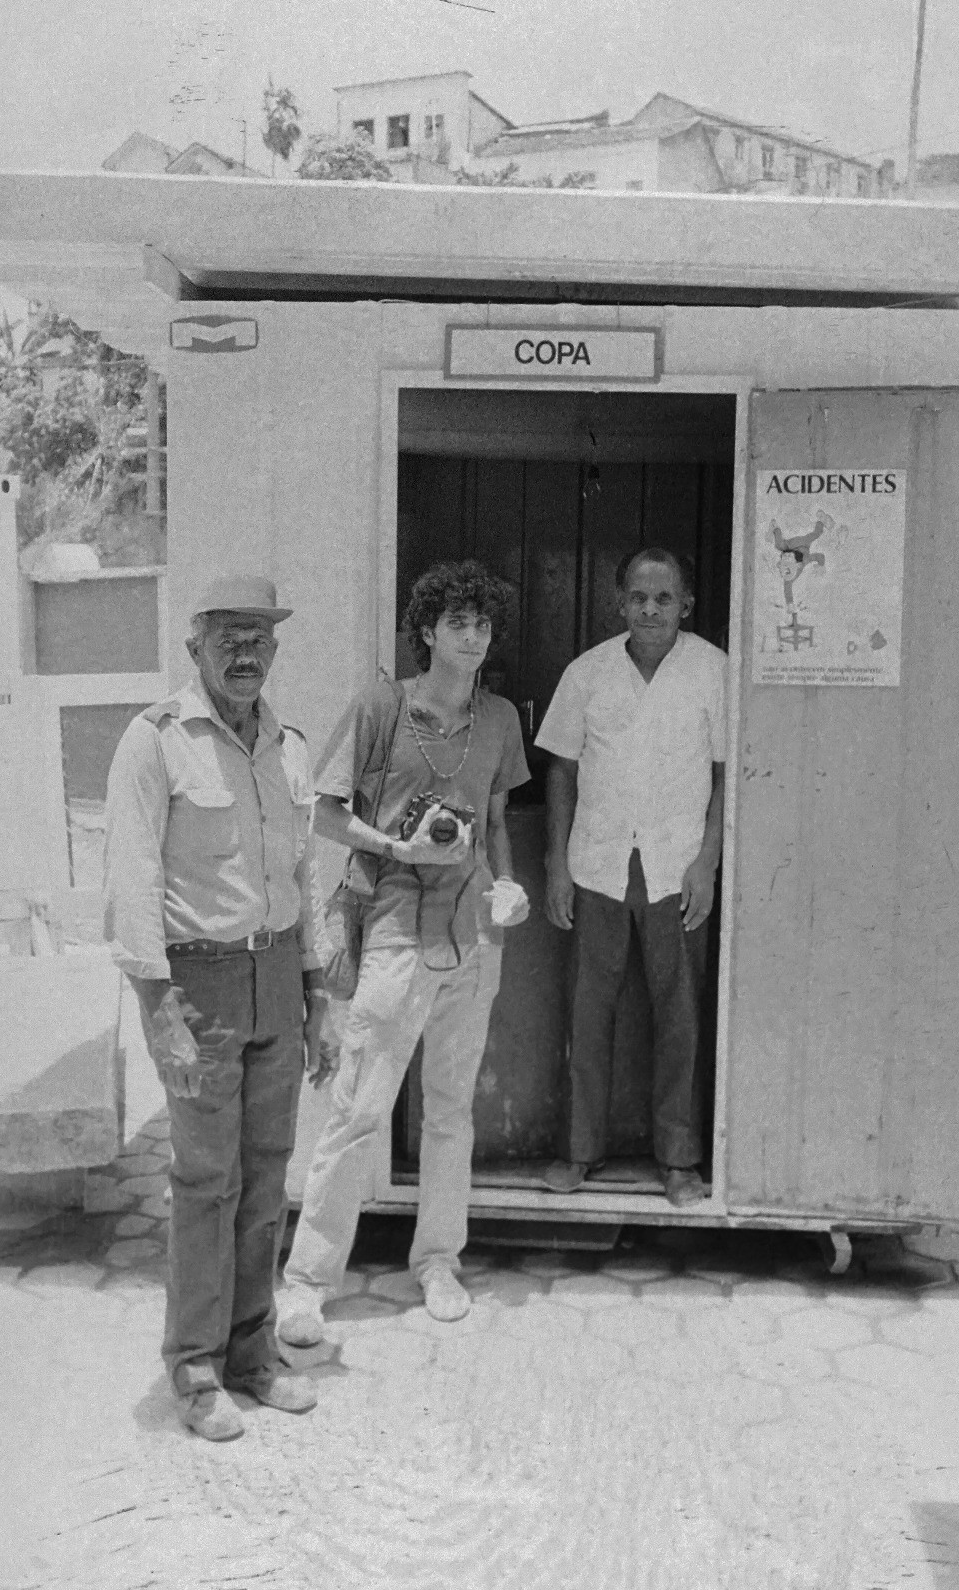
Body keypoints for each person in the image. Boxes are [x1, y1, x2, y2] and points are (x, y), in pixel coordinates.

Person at [277, 559, 530, 1343]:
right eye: (456, 622)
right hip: (393, 932)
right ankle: (308, 1281)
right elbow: (323, 814)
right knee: (357, 1110)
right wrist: (396, 844)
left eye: (482, 623)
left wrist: (509, 888)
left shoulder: (497, 721)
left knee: (452, 1112)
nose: (472, 635)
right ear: (426, 631)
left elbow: (492, 822)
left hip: (472, 940)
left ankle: (438, 1261)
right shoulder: (382, 705)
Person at [104, 575, 329, 1441]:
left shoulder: (288, 744)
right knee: (205, 1177)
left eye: (260, 639)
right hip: (196, 984)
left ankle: (252, 1353)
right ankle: (194, 1368)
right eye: (229, 637)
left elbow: (304, 877)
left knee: (268, 1174)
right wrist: (156, 1004)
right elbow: (133, 880)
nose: (247, 653)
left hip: (275, 977)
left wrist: (319, 994)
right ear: (194, 647)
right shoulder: (155, 741)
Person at [535, 547, 726, 1206]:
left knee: (681, 1017)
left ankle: (678, 1159)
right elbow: (560, 768)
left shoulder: (713, 671)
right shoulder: (586, 673)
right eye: (639, 598)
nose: (650, 610)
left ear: (686, 604)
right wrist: (555, 863)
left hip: (677, 869)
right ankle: (577, 1151)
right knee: (587, 1012)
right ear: (619, 603)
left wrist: (707, 862)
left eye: (664, 598)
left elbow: (728, 774)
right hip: (597, 866)